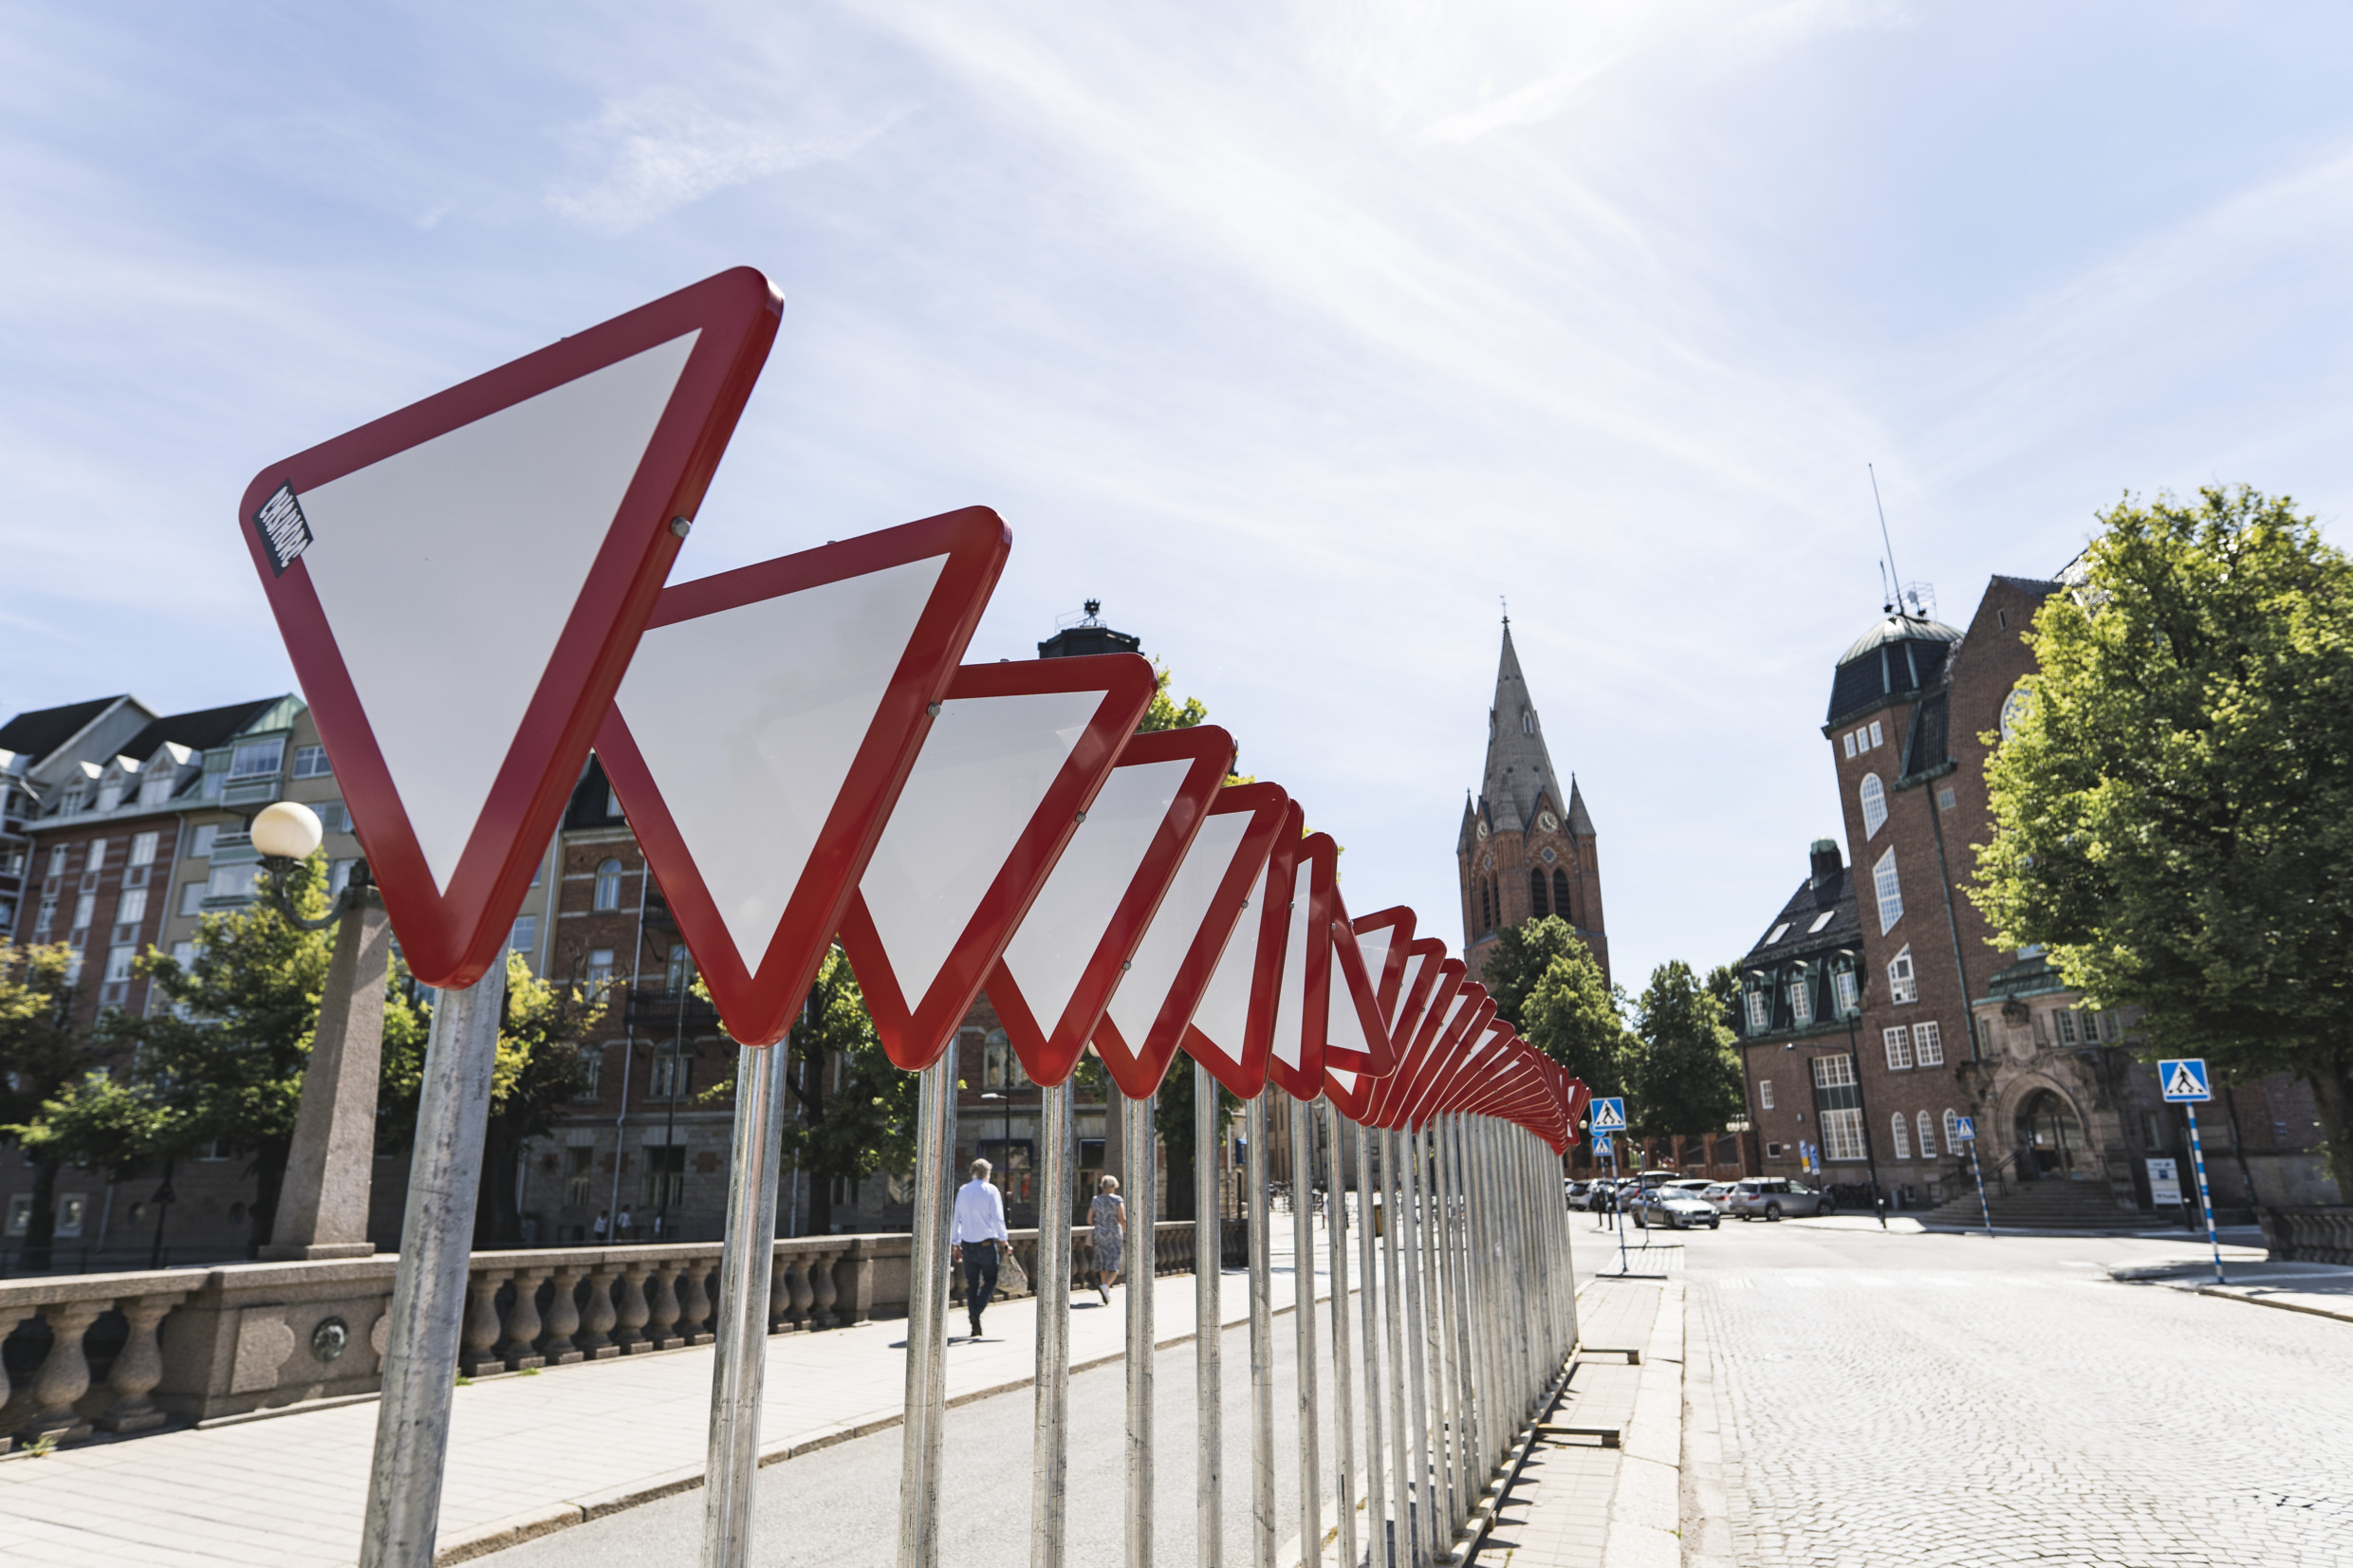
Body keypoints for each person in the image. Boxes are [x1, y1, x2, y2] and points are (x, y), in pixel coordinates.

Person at [950, 1157, 1010, 1339]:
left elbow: (956, 1218)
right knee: (991, 1279)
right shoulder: (991, 1190)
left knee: (972, 1283)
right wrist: (1004, 1240)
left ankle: (974, 1318)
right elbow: (998, 1218)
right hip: (985, 1244)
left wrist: (955, 1244)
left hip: (967, 1244)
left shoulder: (963, 1190)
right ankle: (976, 1311)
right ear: (987, 1174)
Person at [1089, 1173, 1126, 1305]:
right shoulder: (1117, 1200)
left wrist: (1100, 1225)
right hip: (1114, 1233)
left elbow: (1089, 1219)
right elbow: (1122, 1219)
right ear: (1114, 1186)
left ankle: (1106, 1290)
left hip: (1099, 1233)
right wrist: (1127, 1232)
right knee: (1115, 1263)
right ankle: (1105, 1286)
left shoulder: (1095, 1200)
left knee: (1103, 1262)